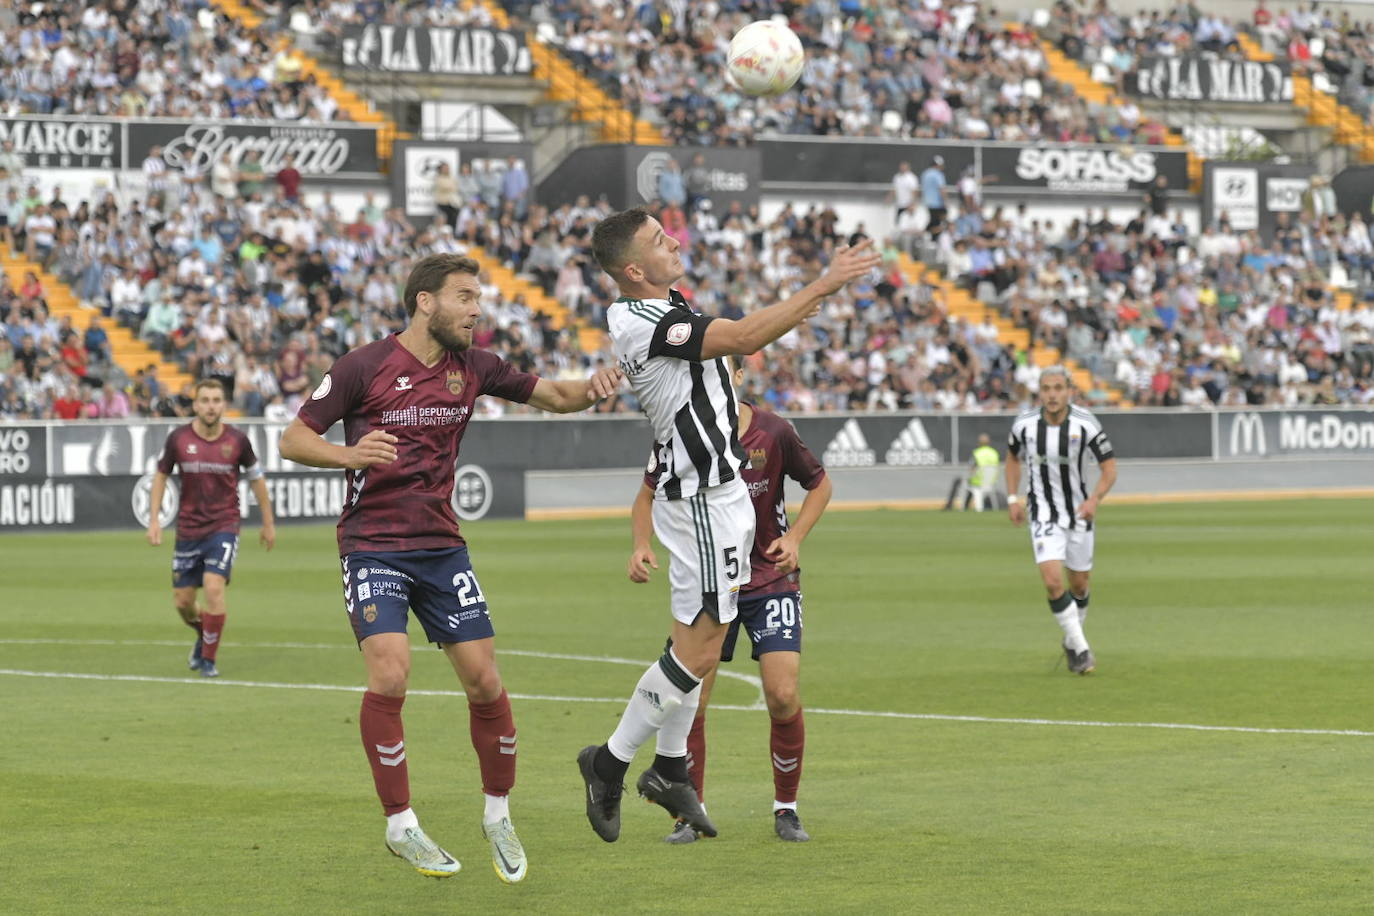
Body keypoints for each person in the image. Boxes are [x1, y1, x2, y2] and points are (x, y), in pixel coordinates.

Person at [278, 253, 621, 883]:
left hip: (441, 547)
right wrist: (350, 452)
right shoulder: (364, 366)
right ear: (425, 302)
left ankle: (497, 815)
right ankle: (401, 825)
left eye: (478, 297)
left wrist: (594, 388)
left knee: (485, 682)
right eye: (464, 297)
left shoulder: (476, 366)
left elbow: (554, 395)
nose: (477, 309)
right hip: (373, 544)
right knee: (390, 675)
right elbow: (293, 439)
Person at [576, 207, 879, 843]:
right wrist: (823, 283)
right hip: (702, 501)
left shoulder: (665, 307)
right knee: (702, 652)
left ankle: (668, 765)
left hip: (718, 500)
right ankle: (611, 762)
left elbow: (730, 350)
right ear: (633, 269)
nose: (676, 241)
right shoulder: (646, 322)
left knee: (694, 642)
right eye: (661, 240)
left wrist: (794, 314)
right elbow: (739, 339)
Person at [628, 366, 832, 844]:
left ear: (737, 373)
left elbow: (819, 483)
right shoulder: (679, 433)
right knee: (691, 701)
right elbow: (645, 495)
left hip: (770, 580)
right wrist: (640, 544)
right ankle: (689, 813)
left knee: (782, 694)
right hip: (709, 583)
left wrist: (796, 537)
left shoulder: (775, 431)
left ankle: (787, 808)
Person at [146, 379, 276, 678]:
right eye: (204, 400)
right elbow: (160, 476)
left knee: (215, 588)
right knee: (183, 603)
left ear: (224, 404)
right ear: (195, 404)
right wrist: (154, 520)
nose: (210, 406)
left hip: (224, 525)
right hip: (188, 529)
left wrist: (268, 522)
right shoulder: (178, 439)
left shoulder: (238, 441)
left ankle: (207, 659)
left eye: (216, 400)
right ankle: (204, 634)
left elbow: (257, 479)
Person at [1004, 367, 1118, 674]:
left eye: (1057, 388)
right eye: (1046, 388)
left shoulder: (1086, 424)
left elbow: (1109, 467)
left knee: (1079, 586)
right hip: (1042, 513)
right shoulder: (1025, 425)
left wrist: (1095, 499)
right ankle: (1081, 649)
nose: (1052, 395)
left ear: (1069, 391)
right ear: (1039, 392)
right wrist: (1013, 498)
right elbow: (1012, 458)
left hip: (1079, 513)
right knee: (1054, 583)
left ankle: (1071, 639)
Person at [964, 433, 1001, 512]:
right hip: (991, 482)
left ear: (979, 443)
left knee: (968, 484)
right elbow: (997, 467)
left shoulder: (976, 453)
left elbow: (971, 469)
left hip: (978, 482)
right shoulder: (994, 453)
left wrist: (970, 477)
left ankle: (969, 507)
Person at [920, 156, 948, 236]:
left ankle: (926, 235)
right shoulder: (938, 174)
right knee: (938, 223)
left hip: (928, 202)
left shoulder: (925, 173)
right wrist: (945, 201)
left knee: (933, 221)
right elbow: (942, 189)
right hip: (937, 203)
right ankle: (928, 236)